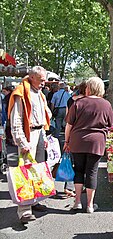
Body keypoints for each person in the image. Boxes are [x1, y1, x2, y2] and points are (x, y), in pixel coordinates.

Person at [8, 66, 51, 223]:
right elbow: (16, 120)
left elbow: (41, 117)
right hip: (29, 135)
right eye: (41, 80)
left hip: (39, 133)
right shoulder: (21, 92)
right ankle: (24, 210)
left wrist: (44, 136)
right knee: (26, 170)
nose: (43, 83)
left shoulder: (38, 93)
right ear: (32, 77)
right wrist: (21, 141)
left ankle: (35, 200)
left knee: (37, 169)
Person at [64, 77, 113, 213]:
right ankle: (90, 205)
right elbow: (110, 124)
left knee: (78, 170)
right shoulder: (106, 104)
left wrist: (66, 141)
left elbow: (69, 125)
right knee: (92, 172)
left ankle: (77, 202)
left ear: (88, 88)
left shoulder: (78, 103)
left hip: (77, 141)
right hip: (96, 143)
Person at [63, 81, 87, 197]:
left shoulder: (71, 100)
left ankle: (69, 187)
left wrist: (66, 140)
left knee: (71, 162)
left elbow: (67, 119)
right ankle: (81, 186)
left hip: (72, 133)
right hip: (85, 135)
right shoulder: (88, 101)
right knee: (84, 164)